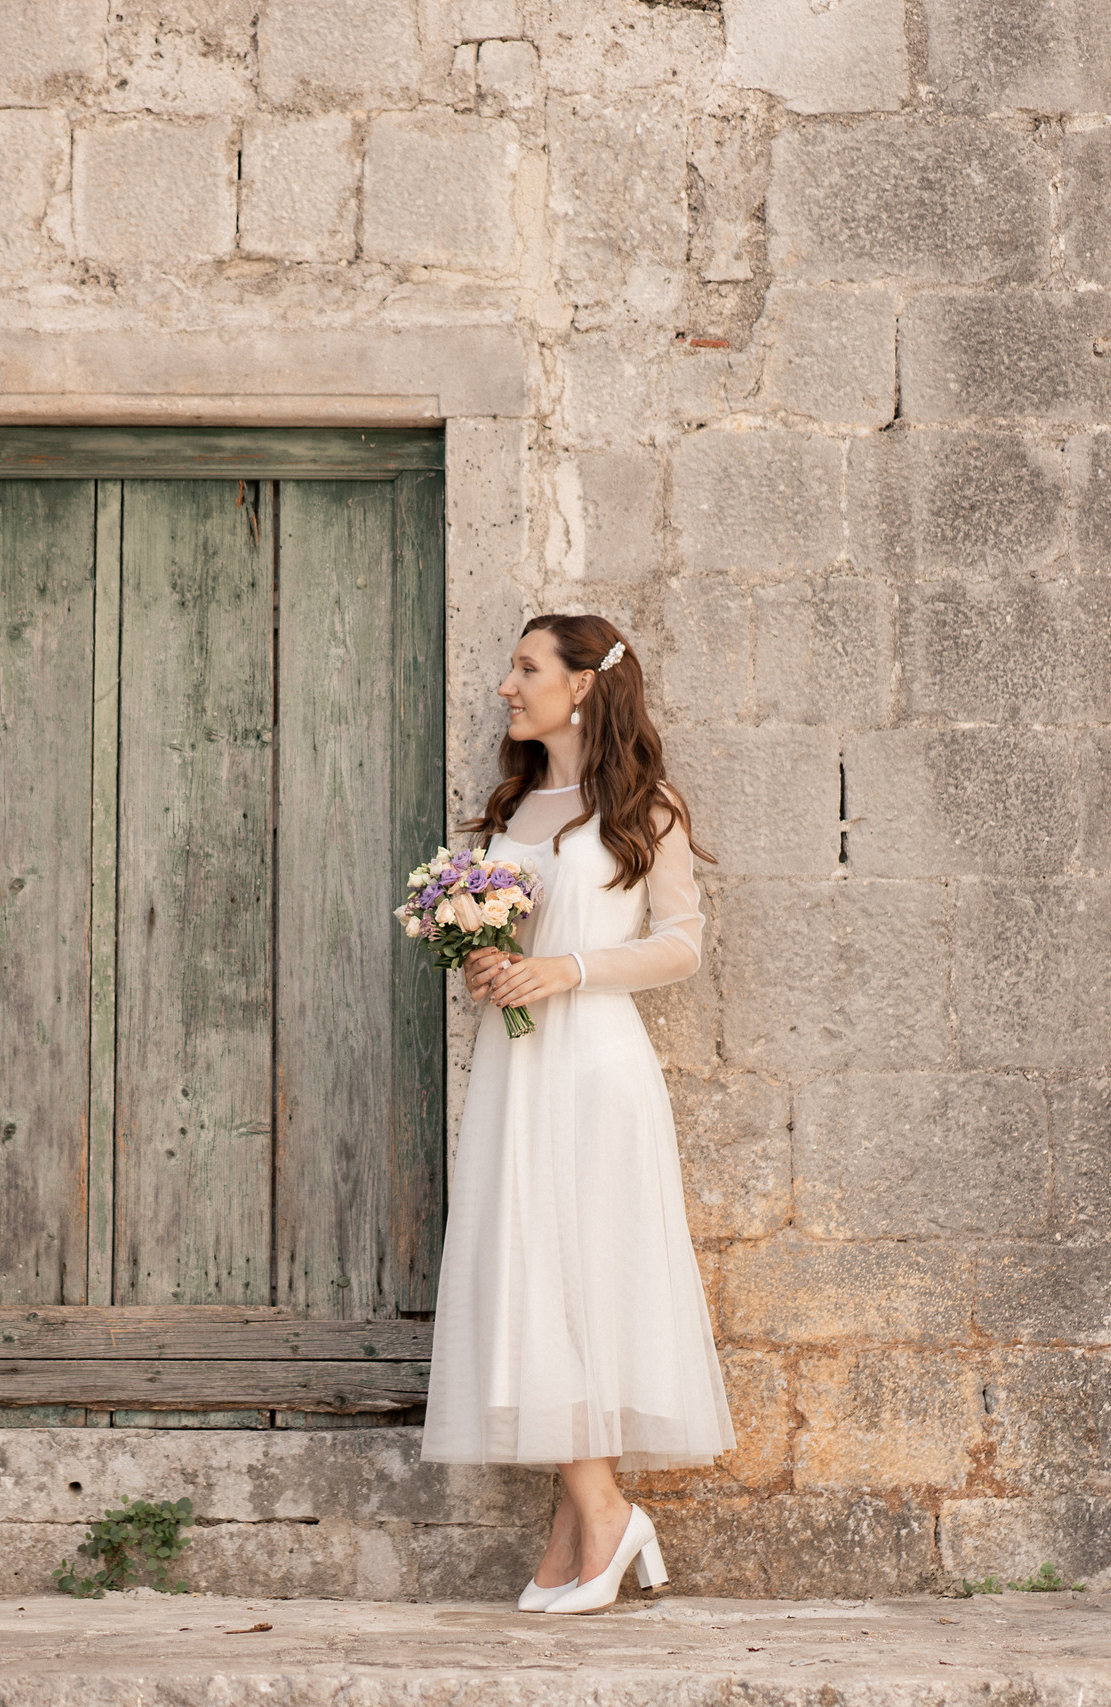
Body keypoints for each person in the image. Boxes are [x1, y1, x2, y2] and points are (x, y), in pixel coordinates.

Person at [421, 612, 735, 1614]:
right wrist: (487, 961)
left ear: (583, 685)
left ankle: (597, 1517)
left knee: (583, 1278)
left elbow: (682, 945)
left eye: (524, 668)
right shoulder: (512, 809)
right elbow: (513, 932)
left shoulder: (646, 806)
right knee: (531, 1277)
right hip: (518, 1071)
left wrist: (565, 968)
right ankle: (589, 1516)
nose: (506, 687)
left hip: (596, 1069)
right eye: (509, 669)